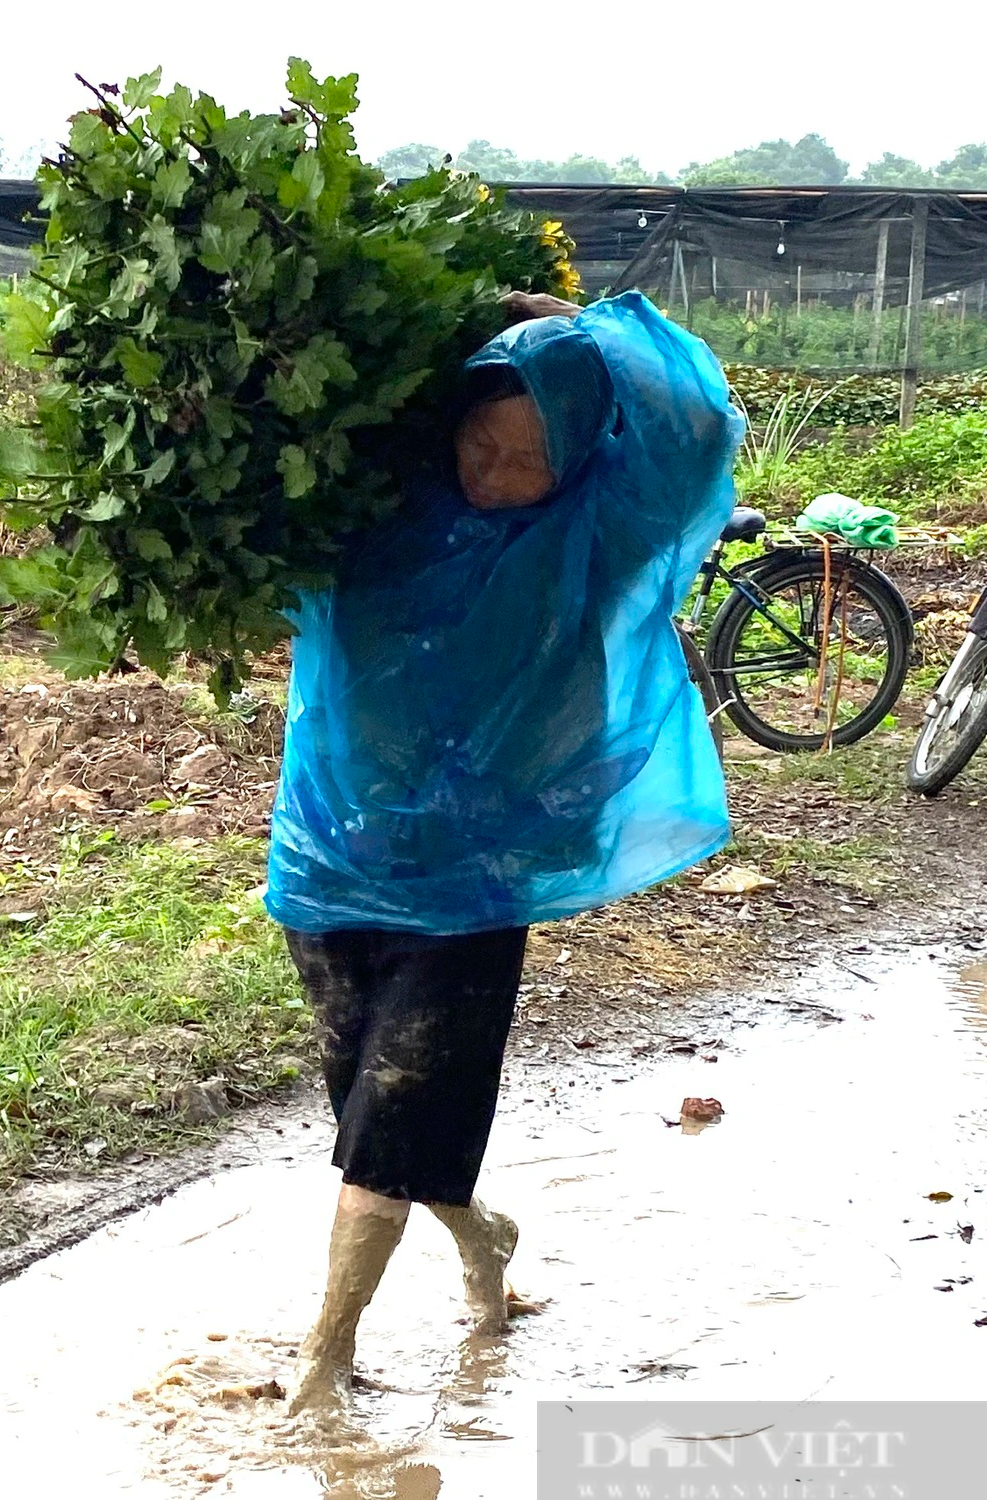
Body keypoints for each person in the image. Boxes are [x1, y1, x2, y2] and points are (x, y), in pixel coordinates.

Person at [264, 287, 745, 1416]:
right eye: (479, 442)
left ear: (574, 459)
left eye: (525, 457)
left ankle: (321, 1363)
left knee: (389, 1116)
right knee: (372, 1114)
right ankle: (486, 1242)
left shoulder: (600, 541)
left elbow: (698, 427)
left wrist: (576, 324)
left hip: (478, 877)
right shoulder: (369, 505)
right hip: (331, 850)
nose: (492, 473)